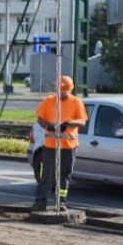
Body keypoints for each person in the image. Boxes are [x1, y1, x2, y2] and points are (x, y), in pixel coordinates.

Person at [33, 75, 88, 212]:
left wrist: (70, 123)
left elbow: (82, 121)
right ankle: (40, 202)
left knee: (65, 175)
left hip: (69, 147)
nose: (62, 95)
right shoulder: (48, 101)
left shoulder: (76, 102)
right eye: (60, 92)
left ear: (71, 90)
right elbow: (40, 118)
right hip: (51, 146)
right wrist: (49, 126)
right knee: (47, 175)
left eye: (65, 93)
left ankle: (61, 201)